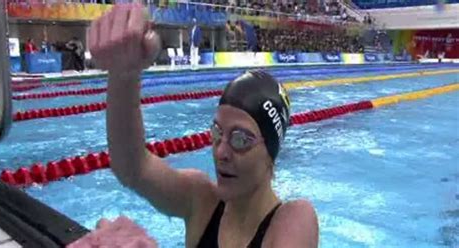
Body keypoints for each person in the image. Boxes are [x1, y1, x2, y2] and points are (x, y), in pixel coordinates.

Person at [88, 4, 319, 247]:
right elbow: (133, 167)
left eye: (241, 140)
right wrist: (124, 73)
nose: (221, 152)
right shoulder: (201, 200)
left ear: (271, 155)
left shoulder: (293, 219)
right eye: (218, 133)